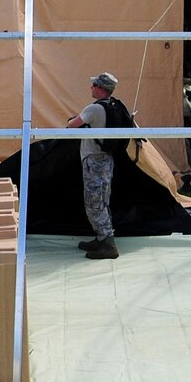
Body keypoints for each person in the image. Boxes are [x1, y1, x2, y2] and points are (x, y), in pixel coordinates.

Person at [68, 72, 128, 259]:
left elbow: (72, 126)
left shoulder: (93, 110)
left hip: (93, 160)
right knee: (103, 200)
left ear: (101, 89)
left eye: (94, 85)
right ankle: (101, 238)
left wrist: (71, 119)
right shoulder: (115, 106)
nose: (91, 87)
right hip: (107, 159)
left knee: (94, 203)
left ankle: (108, 244)